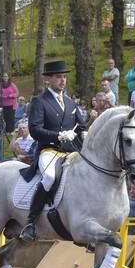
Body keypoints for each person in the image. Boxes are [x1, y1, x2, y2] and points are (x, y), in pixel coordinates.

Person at [21, 60, 87, 242]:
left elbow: (81, 126)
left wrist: (86, 134)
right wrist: (57, 135)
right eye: (58, 77)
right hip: (49, 150)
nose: (63, 80)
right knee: (49, 177)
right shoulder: (39, 102)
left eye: (64, 77)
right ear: (48, 80)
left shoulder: (70, 103)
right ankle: (30, 222)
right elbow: (34, 129)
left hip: (70, 152)